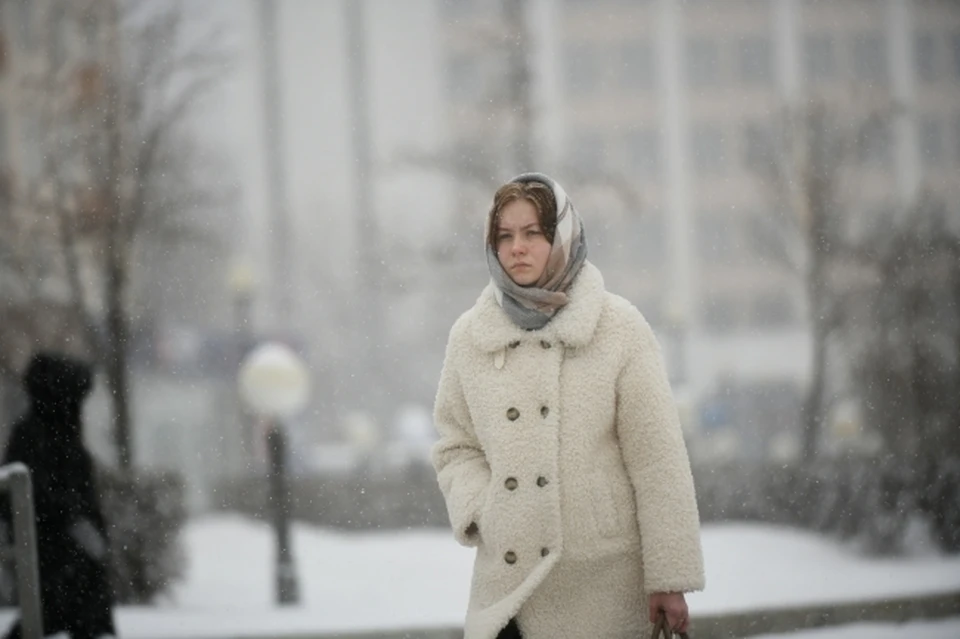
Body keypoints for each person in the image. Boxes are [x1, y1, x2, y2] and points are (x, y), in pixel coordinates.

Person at [431, 173, 704, 639]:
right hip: (508, 586)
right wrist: (483, 508)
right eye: (505, 236)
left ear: (562, 236)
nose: (517, 247)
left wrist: (669, 577)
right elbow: (455, 445)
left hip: (603, 580)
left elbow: (658, 461)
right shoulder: (471, 336)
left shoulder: (619, 327)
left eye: (533, 233)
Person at [1, 352, 116, 639]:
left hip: (66, 551)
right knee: (54, 611)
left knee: (69, 612)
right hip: (51, 548)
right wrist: (76, 523)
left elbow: (78, 491)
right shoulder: (36, 434)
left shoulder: (62, 433)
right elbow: (33, 493)